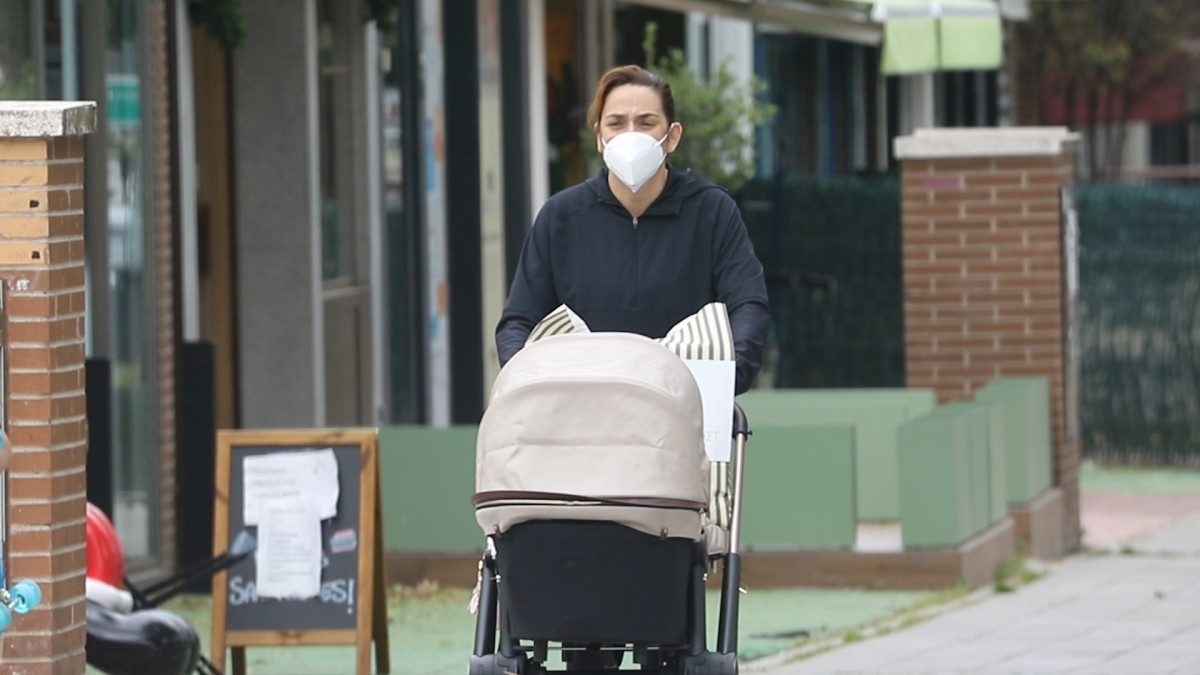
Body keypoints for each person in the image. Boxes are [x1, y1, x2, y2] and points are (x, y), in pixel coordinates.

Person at [496, 64, 770, 394]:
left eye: (646, 123)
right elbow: (519, 320)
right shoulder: (562, 216)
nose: (630, 134)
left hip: (687, 406)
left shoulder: (712, 212)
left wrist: (723, 379)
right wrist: (525, 382)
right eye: (616, 123)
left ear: (673, 136)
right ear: (599, 137)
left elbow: (748, 306)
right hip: (580, 411)